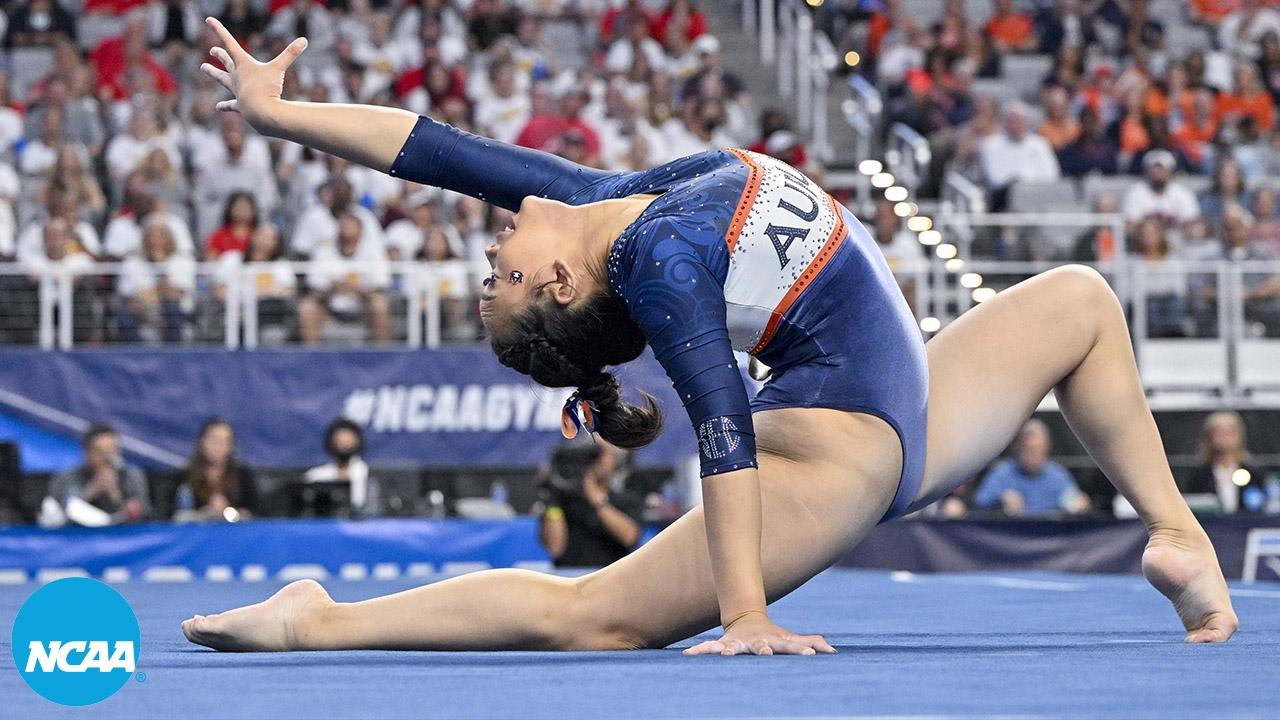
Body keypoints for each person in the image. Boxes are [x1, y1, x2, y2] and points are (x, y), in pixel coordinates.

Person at [183, 19, 1238, 655]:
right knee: (596, 616)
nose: (498, 234)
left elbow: (431, 149)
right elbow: (719, 427)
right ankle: (314, 620)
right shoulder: (653, 258)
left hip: (911, 395)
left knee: (1080, 303)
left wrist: (281, 116)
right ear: (556, 281)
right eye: (502, 268)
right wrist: (744, 614)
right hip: (840, 450)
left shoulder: (606, 203)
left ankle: (1178, 536)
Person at [539, 443, 645, 568]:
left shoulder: (627, 499)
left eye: (602, 454)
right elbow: (554, 548)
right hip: (570, 579)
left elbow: (630, 538)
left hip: (610, 576)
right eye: (593, 455)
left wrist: (596, 498)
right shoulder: (562, 502)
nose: (597, 461)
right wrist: (553, 497)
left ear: (615, 461)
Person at [39, 424, 151, 528]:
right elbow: (57, 516)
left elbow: (145, 515)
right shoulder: (66, 477)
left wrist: (115, 494)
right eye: (100, 452)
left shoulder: (131, 475)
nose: (107, 458)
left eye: (112, 451)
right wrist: (91, 490)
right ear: (86, 452)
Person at [971, 419, 1090, 517]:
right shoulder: (1003, 473)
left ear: (1046, 449)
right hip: (1012, 536)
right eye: (1028, 449)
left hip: (1049, 536)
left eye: (1038, 449)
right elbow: (979, 501)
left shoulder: (1058, 475)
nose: (1033, 455)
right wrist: (1000, 499)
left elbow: (1074, 499)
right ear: (1018, 448)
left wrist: (1081, 503)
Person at [1182, 411, 1272, 515]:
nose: (1224, 438)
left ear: (1239, 436)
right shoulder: (1198, 476)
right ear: (1209, 437)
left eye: (1229, 432)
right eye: (1218, 432)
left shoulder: (1255, 474)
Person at [176, 418, 258, 522]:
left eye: (225, 441)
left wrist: (232, 513)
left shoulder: (243, 474)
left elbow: (257, 513)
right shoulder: (185, 475)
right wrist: (203, 514)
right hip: (197, 534)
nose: (218, 447)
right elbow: (174, 516)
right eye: (214, 440)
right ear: (202, 442)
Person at [303, 418, 375, 516]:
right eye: (340, 439)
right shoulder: (315, 476)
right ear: (331, 442)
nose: (344, 444)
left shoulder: (369, 475)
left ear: (358, 441)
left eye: (348, 439)